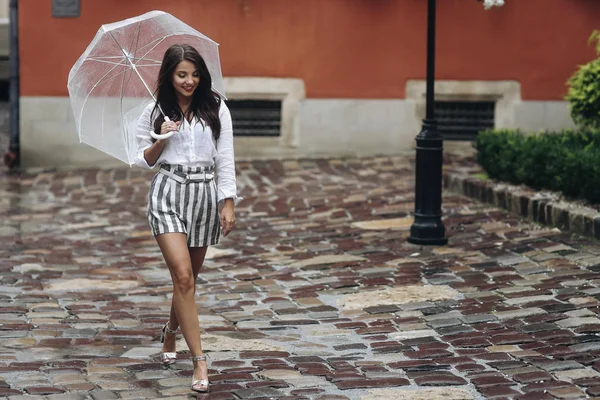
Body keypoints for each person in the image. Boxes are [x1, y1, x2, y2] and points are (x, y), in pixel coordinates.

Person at [135, 44, 241, 393]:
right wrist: (161, 137)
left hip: (204, 196)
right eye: (182, 75)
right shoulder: (154, 110)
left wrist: (228, 203)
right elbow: (143, 160)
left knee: (187, 281)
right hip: (168, 193)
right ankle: (199, 361)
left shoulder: (215, 106)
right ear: (170, 75)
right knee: (182, 275)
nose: (190, 81)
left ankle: (170, 332)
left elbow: (225, 158)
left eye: (195, 74)